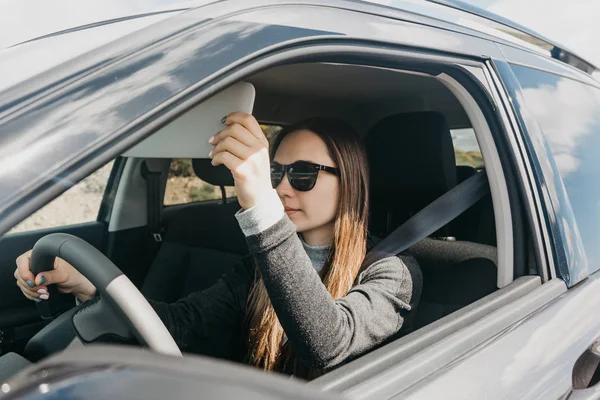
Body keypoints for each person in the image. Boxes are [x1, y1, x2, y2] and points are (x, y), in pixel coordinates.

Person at [14, 112, 422, 379]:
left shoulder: (393, 272)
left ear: (349, 181)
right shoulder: (258, 269)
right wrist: (88, 286)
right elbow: (177, 324)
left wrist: (261, 205)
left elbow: (327, 344)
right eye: (277, 171)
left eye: (303, 174)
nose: (282, 187)